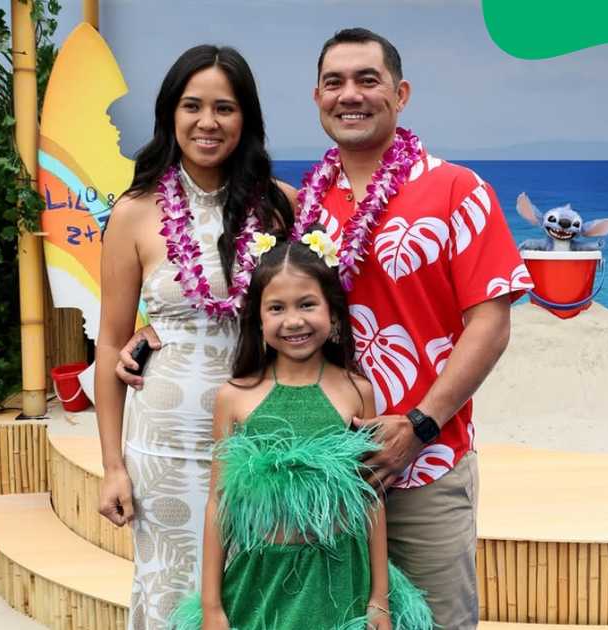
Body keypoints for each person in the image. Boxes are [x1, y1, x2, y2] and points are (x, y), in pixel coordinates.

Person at [121, 28, 530, 628]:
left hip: (424, 463)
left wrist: (419, 425)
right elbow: (256, 298)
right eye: (335, 82)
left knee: (436, 620)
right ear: (316, 98)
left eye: (368, 79)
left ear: (401, 92)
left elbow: (490, 325)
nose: (351, 95)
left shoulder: (456, 190)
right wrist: (152, 332)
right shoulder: (300, 205)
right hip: (311, 474)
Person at [94, 45, 294, 629]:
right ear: (170, 114)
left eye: (225, 108)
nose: (208, 122)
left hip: (262, 436)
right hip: (164, 443)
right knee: (173, 597)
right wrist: (111, 466)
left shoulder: (280, 206)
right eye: (193, 106)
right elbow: (109, 343)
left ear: (246, 119)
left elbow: (303, 312)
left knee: (257, 593)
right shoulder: (135, 211)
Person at [171, 229, 432, 630]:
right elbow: (217, 505)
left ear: (332, 310)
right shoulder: (234, 397)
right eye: (276, 308)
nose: (294, 320)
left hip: (341, 578)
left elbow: (372, 497)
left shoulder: (355, 390)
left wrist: (379, 597)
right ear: (258, 318)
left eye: (307, 304)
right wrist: (211, 605)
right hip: (263, 580)